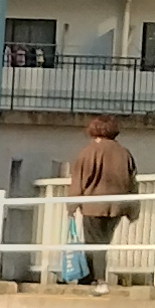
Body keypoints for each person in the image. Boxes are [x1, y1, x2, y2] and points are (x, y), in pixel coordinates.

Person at [63, 113, 140, 284]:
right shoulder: (124, 153)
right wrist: (133, 210)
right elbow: (132, 181)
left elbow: (79, 180)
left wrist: (71, 206)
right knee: (102, 243)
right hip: (117, 206)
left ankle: (97, 279)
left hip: (93, 205)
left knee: (93, 243)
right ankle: (91, 278)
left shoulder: (88, 152)